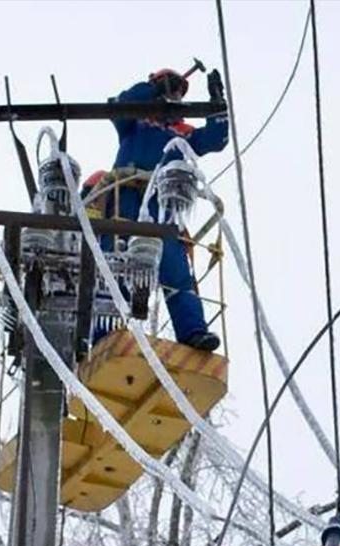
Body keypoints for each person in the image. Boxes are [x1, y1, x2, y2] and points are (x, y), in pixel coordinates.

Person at [106, 67, 229, 352]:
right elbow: (120, 105)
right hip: (125, 192)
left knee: (175, 267)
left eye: (180, 89)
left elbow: (216, 139)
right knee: (119, 258)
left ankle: (193, 332)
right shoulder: (136, 121)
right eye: (171, 87)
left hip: (163, 203)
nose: (175, 94)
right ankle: (109, 330)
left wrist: (217, 103)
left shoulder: (182, 134)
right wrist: (153, 89)